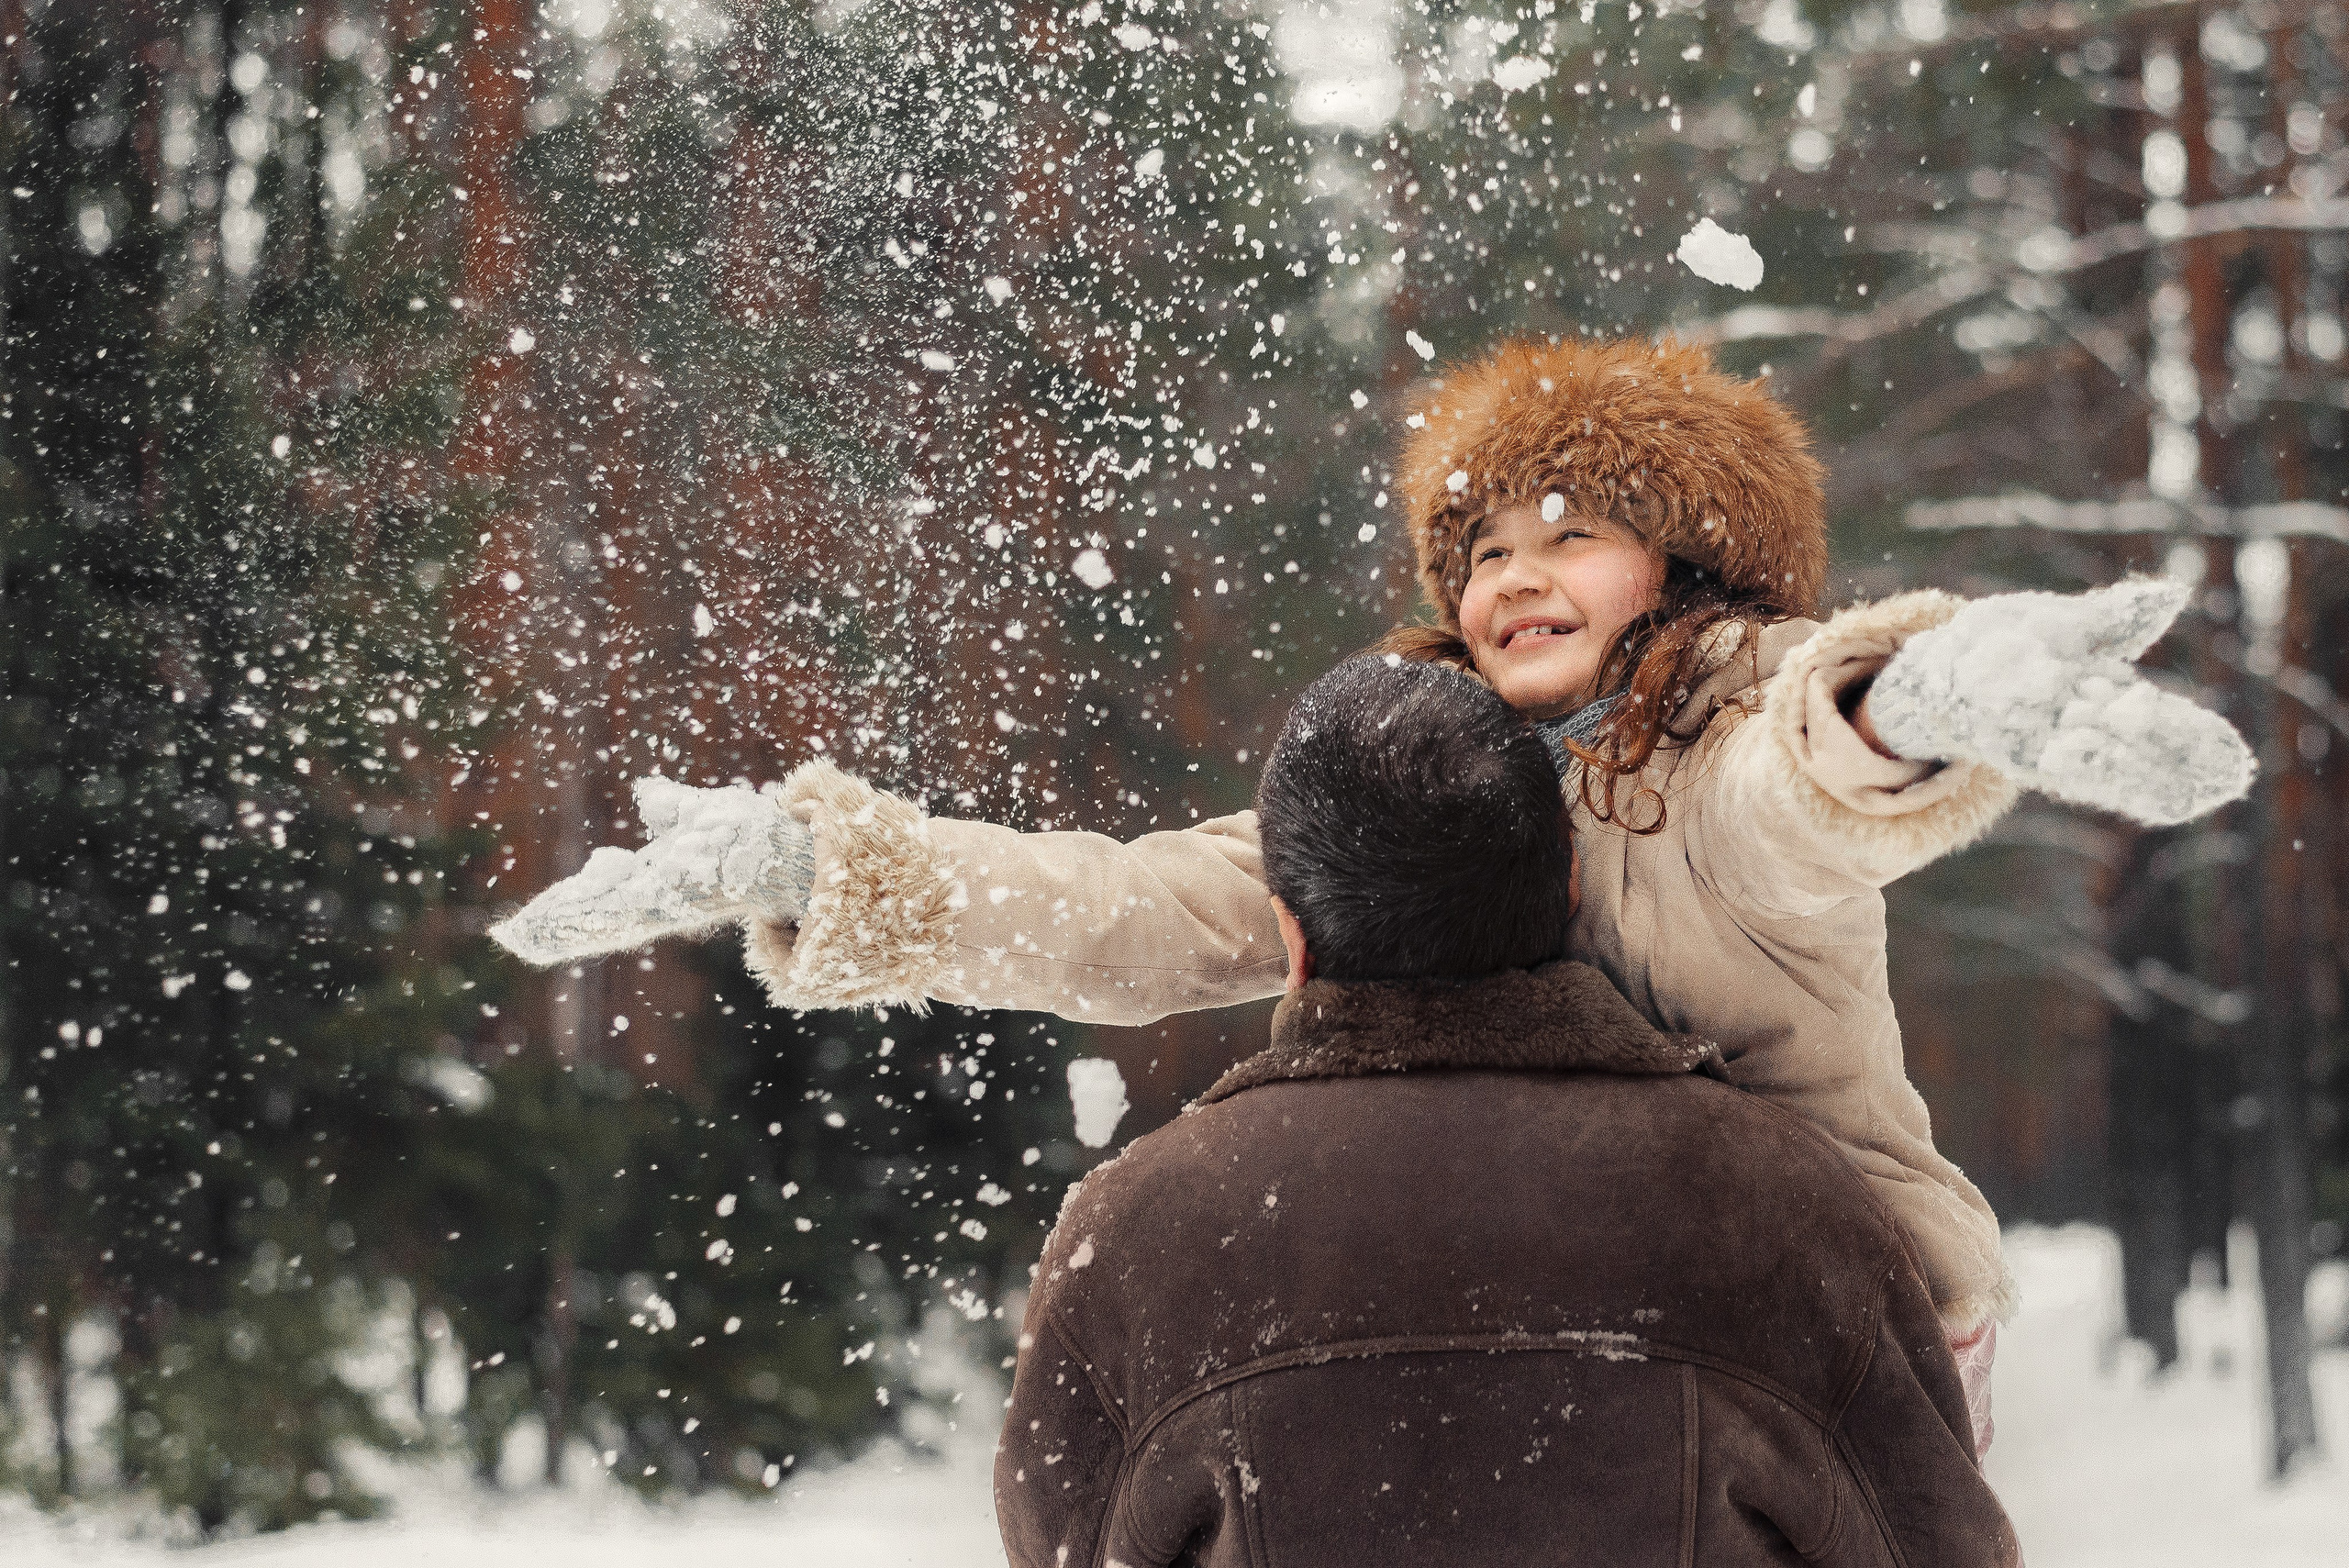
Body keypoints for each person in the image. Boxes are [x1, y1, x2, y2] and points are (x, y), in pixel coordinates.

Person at [487, 335, 2251, 1441]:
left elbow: (1810, 776)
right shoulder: (1424, 782)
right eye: (1485, 546)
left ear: (1691, 558)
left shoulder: (1715, 747)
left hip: (1827, 1289)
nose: (1515, 572)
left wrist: (1916, 699)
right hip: (1570, 1284)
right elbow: (1137, 902)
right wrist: (829, 861)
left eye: (1571, 528)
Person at [993, 653, 2020, 1568]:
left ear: (1289, 937)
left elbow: (1059, 1537)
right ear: (1568, 882)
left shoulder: (1137, 1230)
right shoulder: (1783, 1201)